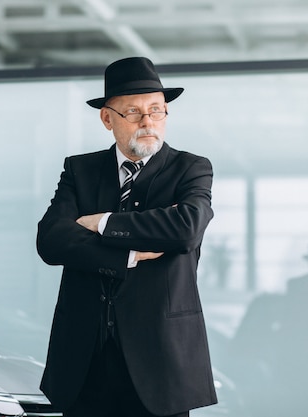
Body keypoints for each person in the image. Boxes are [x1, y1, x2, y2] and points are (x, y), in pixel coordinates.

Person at [36, 57, 217, 417]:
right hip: (84, 363)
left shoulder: (191, 168)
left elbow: (185, 229)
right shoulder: (79, 169)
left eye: (156, 110)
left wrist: (102, 222)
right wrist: (127, 256)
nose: (148, 121)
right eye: (133, 113)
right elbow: (51, 240)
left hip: (161, 363)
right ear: (107, 119)